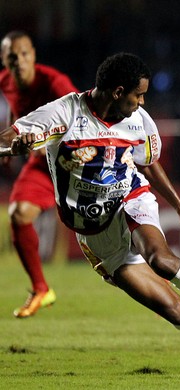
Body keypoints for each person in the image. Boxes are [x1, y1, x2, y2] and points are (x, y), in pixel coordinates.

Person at [0, 52, 180, 376]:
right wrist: (15, 145)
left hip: (130, 197)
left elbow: (147, 162)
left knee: (161, 259)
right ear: (118, 92)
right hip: (94, 234)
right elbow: (8, 137)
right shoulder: (65, 112)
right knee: (174, 311)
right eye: (138, 94)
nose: (142, 101)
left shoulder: (138, 120)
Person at [0, 30, 79, 318]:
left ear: (33, 55)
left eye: (24, 54)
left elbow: (81, 118)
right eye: (12, 56)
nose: (18, 61)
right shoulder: (5, 82)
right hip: (42, 167)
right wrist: (11, 139)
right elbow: (16, 111)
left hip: (74, 162)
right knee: (18, 214)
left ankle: (160, 283)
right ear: (3, 61)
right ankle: (41, 288)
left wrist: (49, 142)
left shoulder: (54, 82)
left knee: (118, 226)